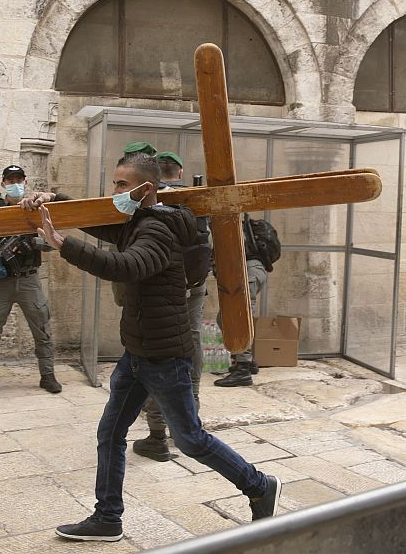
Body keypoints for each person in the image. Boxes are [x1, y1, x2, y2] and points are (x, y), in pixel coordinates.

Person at [35, 153, 281, 542]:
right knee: (111, 432)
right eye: (113, 183)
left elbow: (127, 266)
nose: (114, 192)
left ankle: (260, 486)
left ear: (145, 189)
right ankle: (108, 517)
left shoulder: (158, 231)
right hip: (138, 353)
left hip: (166, 355)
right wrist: (58, 200)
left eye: (120, 184)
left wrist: (63, 244)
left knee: (191, 439)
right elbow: (102, 225)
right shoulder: (139, 220)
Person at [131, 150, 211, 462]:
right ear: (178, 173)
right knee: (191, 347)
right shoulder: (194, 198)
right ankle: (191, 425)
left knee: (157, 353)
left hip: (160, 287)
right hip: (194, 285)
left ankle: (157, 435)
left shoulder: (145, 202)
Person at [0, 164, 67, 396]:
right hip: (0, 281)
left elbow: (53, 241)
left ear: (25, 181)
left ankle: (48, 375)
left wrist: (32, 243)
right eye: (10, 180)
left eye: (19, 180)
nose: (15, 184)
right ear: (3, 184)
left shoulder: (35, 208)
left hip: (28, 278)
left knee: (41, 328)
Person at [213, 215, 270, 387]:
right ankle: (248, 360)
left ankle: (243, 370)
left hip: (249, 271)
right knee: (224, 318)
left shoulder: (225, 225)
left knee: (239, 319)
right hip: (252, 270)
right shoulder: (232, 224)